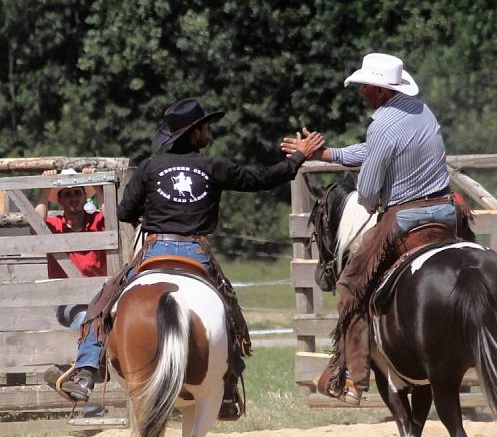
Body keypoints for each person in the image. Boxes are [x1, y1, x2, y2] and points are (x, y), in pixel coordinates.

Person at [50, 96, 323, 417]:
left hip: (154, 250)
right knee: (230, 312)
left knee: (101, 303)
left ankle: (85, 373)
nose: (208, 130)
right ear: (194, 133)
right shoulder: (213, 167)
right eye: (205, 126)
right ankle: (227, 385)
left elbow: (124, 212)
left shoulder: (152, 167)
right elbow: (260, 179)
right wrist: (298, 159)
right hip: (196, 251)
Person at [281, 52, 456, 407]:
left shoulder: (382, 125)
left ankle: (353, 379)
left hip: (405, 218)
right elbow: (374, 150)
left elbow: (371, 192)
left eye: (363, 86)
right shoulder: (421, 111)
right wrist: (328, 155)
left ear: (378, 90)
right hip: (446, 211)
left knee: (349, 286)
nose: (360, 91)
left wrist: (372, 193)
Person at [35, 167, 106, 330]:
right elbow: (35, 224)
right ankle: (82, 354)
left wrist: (97, 185)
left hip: (100, 294)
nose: (73, 198)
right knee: (85, 317)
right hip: (66, 297)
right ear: (60, 199)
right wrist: (45, 189)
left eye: (77, 193)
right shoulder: (54, 224)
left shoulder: (98, 220)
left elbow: (115, 219)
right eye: (67, 194)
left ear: (84, 196)